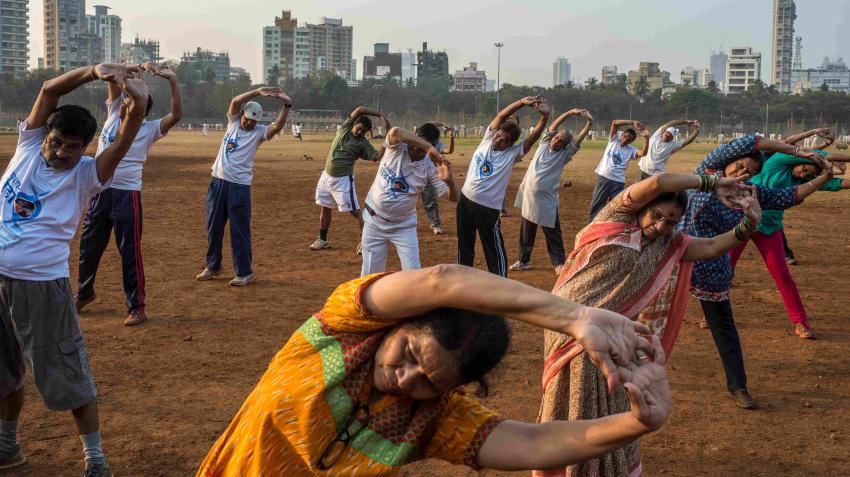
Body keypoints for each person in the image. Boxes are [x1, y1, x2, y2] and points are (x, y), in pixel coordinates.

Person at [196, 265, 672, 476]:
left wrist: (634, 423)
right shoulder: (343, 326)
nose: (405, 379)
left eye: (430, 382)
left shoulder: (434, 419)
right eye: (408, 353)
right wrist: (573, 316)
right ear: (401, 321)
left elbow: (534, 443)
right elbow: (440, 280)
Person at [538, 171, 759, 477]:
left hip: (612, 333)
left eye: (670, 221)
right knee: (575, 400)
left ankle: (606, 469)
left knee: (613, 400)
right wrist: (710, 183)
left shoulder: (668, 244)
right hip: (569, 326)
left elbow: (709, 247)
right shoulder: (617, 215)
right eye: (656, 215)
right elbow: (658, 183)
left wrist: (749, 225)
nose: (660, 226)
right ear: (643, 206)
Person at [0, 64, 148, 476]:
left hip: (42, 289)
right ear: (43, 136)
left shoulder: (90, 175)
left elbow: (128, 133)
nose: (61, 151)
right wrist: (92, 73)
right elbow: (48, 90)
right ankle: (7, 447)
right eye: (56, 142)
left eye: (72, 147)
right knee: (4, 373)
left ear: (86, 149)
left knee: (68, 375)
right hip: (0, 283)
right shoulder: (27, 148)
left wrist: (136, 101)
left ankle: (95, 459)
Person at [681, 135, 833, 409]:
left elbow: (789, 196)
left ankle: (738, 386)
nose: (743, 173)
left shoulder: (748, 193)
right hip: (676, 255)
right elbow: (753, 142)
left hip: (711, 265)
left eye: (750, 172)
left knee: (724, 327)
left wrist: (823, 178)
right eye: (740, 166)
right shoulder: (708, 171)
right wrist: (801, 151)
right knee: (650, 314)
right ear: (728, 161)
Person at [74, 62, 182, 327]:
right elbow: (111, 78)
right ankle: (84, 293)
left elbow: (176, 115)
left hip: (127, 195)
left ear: (141, 108)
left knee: (129, 251)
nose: (123, 104)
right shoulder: (113, 114)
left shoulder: (149, 129)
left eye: (130, 101)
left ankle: (137, 306)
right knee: (89, 246)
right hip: (99, 191)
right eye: (123, 100)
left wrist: (173, 81)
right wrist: (128, 69)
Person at [729, 148, 850, 339]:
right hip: (740, 220)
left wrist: (824, 175)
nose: (805, 174)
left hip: (769, 228)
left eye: (810, 174)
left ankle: (801, 322)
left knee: (782, 275)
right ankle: (711, 316)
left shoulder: (802, 182)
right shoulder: (778, 162)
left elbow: (834, 183)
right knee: (724, 269)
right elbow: (823, 155)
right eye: (806, 169)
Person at [195, 87, 293, 286]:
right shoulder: (232, 123)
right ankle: (213, 266)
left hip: (239, 187)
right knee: (213, 228)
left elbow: (277, 127)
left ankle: (244, 272)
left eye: (254, 121)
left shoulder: (258, 133)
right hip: (217, 182)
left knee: (239, 231)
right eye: (247, 118)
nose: (249, 123)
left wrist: (287, 105)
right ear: (241, 115)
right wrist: (257, 91)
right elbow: (234, 100)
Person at [457, 96, 549, 276]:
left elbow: (533, 137)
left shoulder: (513, 154)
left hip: (488, 208)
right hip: (465, 200)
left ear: (511, 144)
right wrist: (522, 102)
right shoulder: (487, 138)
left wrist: (544, 117)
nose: (499, 140)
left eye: (504, 140)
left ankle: (501, 280)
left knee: (493, 248)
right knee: (464, 243)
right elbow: (501, 115)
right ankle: (462, 278)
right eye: (499, 135)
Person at [360, 126, 458, 276]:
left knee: (413, 275)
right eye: (417, 142)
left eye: (423, 146)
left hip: (403, 226)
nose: (416, 147)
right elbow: (394, 131)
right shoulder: (396, 147)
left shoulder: (429, 167)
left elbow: (453, 198)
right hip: (374, 222)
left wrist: (450, 182)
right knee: (369, 276)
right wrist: (428, 147)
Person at [511, 108, 593, 275]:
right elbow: (554, 124)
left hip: (547, 200)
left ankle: (559, 263)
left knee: (552, 232)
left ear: (564, 146)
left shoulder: (564, 155)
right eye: (556, 138)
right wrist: (569, 112)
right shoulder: (543, 144)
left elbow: (577, 140)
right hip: (530, 196)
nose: (556, 141)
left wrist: (589, 123)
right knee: (527, 231)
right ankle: (524, 260)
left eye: (560, 141)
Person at [310, 106, 390, 251]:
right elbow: (359, 109)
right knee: (326, 208)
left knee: (355, 212)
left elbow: (377, 156)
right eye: (358, 128)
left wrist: (387, 140)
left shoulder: (363, 144)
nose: (360, 132)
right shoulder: (345, 129)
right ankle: (322, 240)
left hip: (343, 181)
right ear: (353, 124)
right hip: (326, 177)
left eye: (363, 131)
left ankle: (365, 243)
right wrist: (379, 114)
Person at [762, 128, 834, 264]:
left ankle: (785, 253)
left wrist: (823, 144)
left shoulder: (785, 162)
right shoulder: (771, 154)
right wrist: (814, 132)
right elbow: (789, 144)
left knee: (770, 218)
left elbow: (808, 154)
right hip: (749, 187)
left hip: (761, 194)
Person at [588, 120, 650, 222]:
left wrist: (647, 139)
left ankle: (610, 226)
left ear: (631, 141)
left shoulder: (631, 150)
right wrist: (632, 122)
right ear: (621, 135)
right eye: (625, 136)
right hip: (604, 177)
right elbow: (615, 123)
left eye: (629, 139)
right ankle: (591, 226)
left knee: (616, 206)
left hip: (618, 181)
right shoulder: (613, 140)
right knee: (597, 203)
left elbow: (643, 153)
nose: (626, 140)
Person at [419, 121, 454, 235]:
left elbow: (449, 150)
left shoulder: (437, 144)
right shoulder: (418, 138)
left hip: (429, 176)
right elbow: (429, 123)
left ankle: (436, 224)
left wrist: (452, 136)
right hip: (413, 173)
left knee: (430, 201)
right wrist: (443, 124)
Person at [636, 119, 701, 181]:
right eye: (668, 132)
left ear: (673, 138)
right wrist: (686, 121)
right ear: (664, 132)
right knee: (635, 191)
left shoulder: (673, 145)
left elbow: (687, 141)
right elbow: (671, 123)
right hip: (643, 170)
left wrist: (696, 131)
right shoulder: (656, 136)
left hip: (655, 175)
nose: (668, 134)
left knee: (652, 192)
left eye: (671, 135)